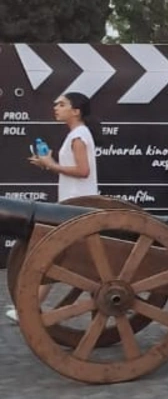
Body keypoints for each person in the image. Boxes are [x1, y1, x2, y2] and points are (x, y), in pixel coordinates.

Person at [8, 92, 99, 324]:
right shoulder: (76, 135)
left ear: (76, 111)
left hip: (77, 205)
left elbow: (83, 171)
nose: (56, 107)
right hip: (74, 204)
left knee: (54, 259)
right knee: (60, 259)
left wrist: (51, 164)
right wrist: (49, 164)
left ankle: (27, 309)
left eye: (61, 104)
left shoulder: (78, 136)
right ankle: (27, 307)